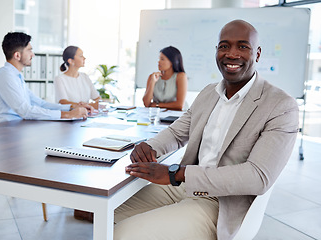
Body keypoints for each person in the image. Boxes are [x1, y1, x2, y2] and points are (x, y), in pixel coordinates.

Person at [114, 20, 299, 240]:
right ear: (217, 52)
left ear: (257, 54)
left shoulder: (280, 105)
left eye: (242, 46)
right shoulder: (208, 93)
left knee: (122, 233)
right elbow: (176, 133)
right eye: (224, 46)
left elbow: (258, 176)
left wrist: (176, 173)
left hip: (223, 203)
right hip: (185, 186)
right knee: (107, 211)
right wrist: (150, 146)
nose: (231, 54)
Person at [0, 32, 90, 123]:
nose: (33, 55)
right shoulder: (5, 77)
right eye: (29, 50)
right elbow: (26, 111)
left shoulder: (16, 76)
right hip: (7, 133)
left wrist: (71, 107)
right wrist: (68, 115)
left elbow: (40, 104)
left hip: (19, 128)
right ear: (17, 55)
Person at [54, 46, 100, 110]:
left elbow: (98, 99)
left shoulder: (85, 77)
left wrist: (87, 105)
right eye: (81, 56)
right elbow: (63, 102)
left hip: (87, 115)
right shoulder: (60, 79)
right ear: (70, 61)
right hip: (70, 116)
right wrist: (89, 105)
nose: (84, 58)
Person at [142, 46, 188, 110]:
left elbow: (179, 105)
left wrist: (157, 105)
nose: (159, 62)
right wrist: (152, 82)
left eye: (162, 59)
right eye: (159, 59)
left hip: (176, 116)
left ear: (172, 61)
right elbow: (146, 104)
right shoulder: (152, 77)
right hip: (157, 115)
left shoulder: (181, 76)